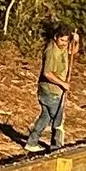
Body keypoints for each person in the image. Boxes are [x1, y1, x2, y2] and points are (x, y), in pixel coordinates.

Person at [23, 20, 76, 151]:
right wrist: (63, 83)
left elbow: (73, 51)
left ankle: (31, 142)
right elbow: (47, 73)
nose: (64, 43)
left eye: (66, 41)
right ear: (55, 37)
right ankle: (56, 147)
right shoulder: (51, 51)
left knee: (45, 116)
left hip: (55, 91)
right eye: (62, 40)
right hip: (50, 91)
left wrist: (76, 41)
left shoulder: (63, 46)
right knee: (58, 121)